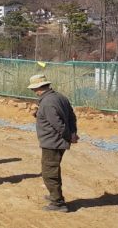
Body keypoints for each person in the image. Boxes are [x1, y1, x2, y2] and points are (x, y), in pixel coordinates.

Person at [28, 74, 78, 212]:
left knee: (49, 172)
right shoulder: (60, 97)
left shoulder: (47, 102)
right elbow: (71, 116)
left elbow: (58, 124)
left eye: (34, 89)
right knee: (52, 170)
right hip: (57, 141)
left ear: (39, 88)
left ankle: (58, 203)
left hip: (53, 142)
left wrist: (70, 136)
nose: (34, 92)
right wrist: (73, 132)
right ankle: (54, 195)